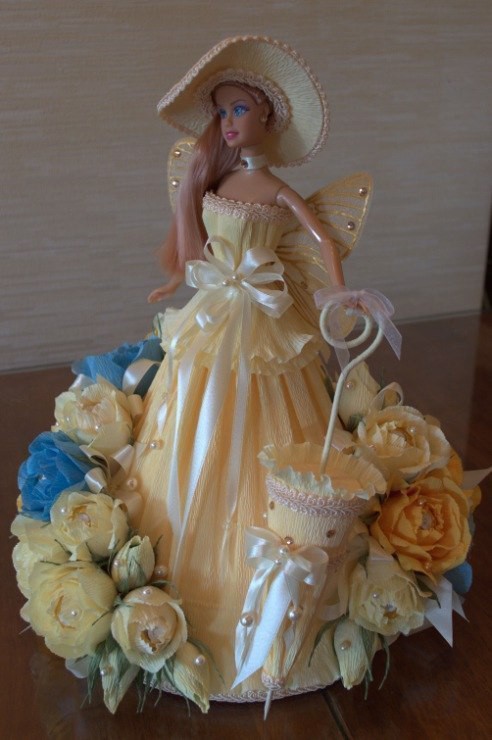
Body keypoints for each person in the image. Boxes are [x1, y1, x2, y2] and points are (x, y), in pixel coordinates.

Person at [129, 36, 353, 701]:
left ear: (268, 118)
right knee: (190, 407)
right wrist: (174, 284)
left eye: (240, 110)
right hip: (214, 312)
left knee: (272, 417)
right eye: (223, 112)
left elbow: (320, 237)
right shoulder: (215, 180)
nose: (228, 123)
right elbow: (193, 241)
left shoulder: (276, 190)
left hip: (261, 318)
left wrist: (340, 292)